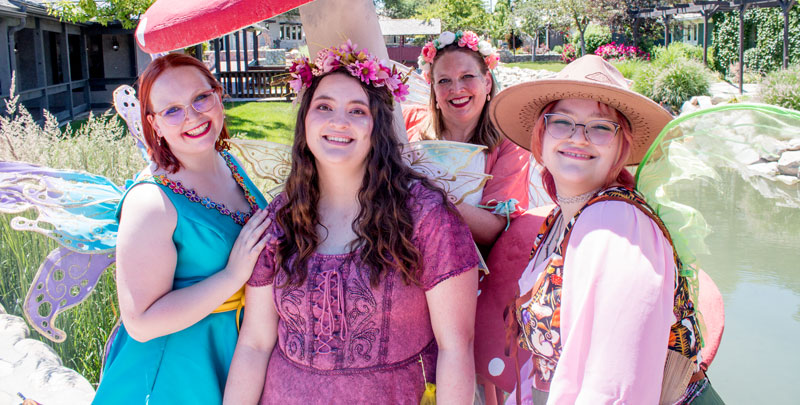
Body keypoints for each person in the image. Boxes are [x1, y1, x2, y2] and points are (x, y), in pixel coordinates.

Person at [223, 43, 479, 404]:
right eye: (324, 107)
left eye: (357, 110)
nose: (339, 122)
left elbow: (456, 346)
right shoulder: (280, 220)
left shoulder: (425, 216)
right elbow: (255, 343)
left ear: (377, 127)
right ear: (305, 121)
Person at [490, 55, 723, 404]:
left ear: (621, 146)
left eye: (600, 127)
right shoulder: (560, 220)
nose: (578, 137)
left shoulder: (614, 223)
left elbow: (614, 389)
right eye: (561, 122)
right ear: (541, 134)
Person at [94, 53, 270, 404]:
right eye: (172, 110)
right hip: (174, 374)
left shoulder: (228, 163)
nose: (192, 116)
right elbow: (141, 322)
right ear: (154, 124)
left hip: (236, 353)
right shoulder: (151, 202)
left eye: (201, 98)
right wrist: (232, 277)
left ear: (218, 95)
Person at [405, 30, 536, 247]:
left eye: (467, 76)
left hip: (469, 260)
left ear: (487, 82)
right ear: (433, 89)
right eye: (444, 80)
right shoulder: (408, 121)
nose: (456, 89)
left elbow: (494, 231)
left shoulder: (509, 143)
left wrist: (430, 194)